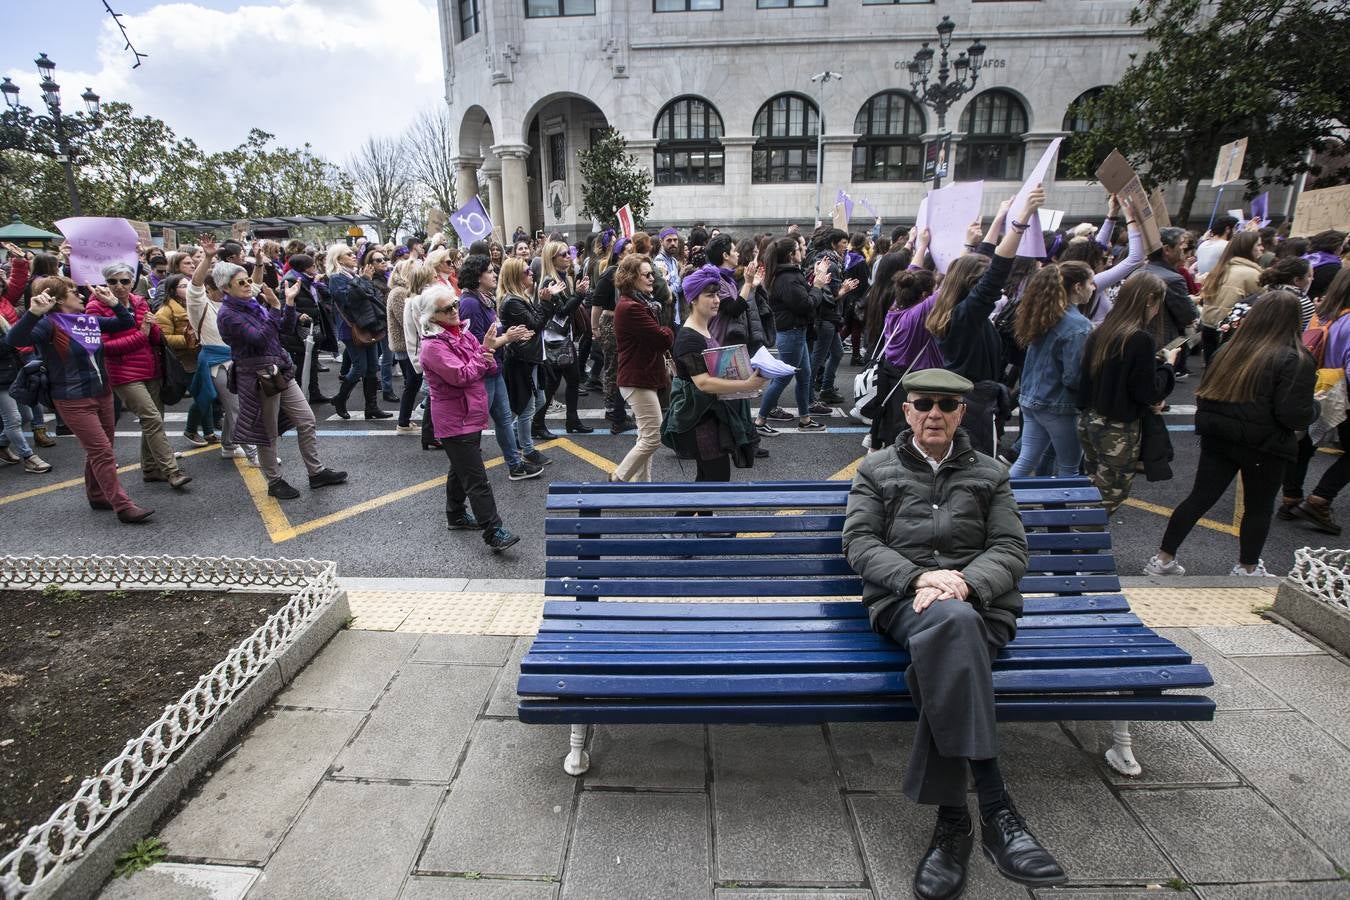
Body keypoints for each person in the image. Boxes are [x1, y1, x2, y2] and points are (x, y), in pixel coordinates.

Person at [842, 367, 1065, 900]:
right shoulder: (876, 470)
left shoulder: (990, 474)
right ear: (907, 410)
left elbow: (1012, 550)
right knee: (951, 629)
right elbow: (859, 543)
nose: (934, 414)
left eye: (946, 405)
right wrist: (918, 576)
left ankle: (953, 823)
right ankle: (996, 807)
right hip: (904, 602)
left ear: (963, 413)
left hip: (980, 605)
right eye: (924, 404)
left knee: (948, 643)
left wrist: (965, 584)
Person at [1146, 292, 1316, 576]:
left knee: (1200, 497)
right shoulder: (1294, 358)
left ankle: (1163, 558)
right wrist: (1316, 409)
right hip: (1265, 443)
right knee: (1258, 507)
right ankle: (1247, 567)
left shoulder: (1230, 349)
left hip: (1219, 435)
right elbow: (1292, 414)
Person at [6, 278, 152, 520]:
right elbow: (14, 340)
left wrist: (114, 302)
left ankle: (97, 495)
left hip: (103, 394)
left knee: (100, 450)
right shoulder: (47, 324)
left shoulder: (88, 321)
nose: (82, 296)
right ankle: (123, 506)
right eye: (74, 292)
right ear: (59, 299)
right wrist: (33, 313)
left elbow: (125, 322)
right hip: (72, 398)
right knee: (102, 452)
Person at [926, 188, 1047, 455]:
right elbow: (996, 272)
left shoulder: (954, 309)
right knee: (972, 471)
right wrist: (1019, 220)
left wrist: (999, 218)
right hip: (972, 410)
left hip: (972, 403)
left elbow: (976, 266)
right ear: (973, 285)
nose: (998, 291)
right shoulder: (964, 317)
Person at [214, 261, 347, 500]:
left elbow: (282, 330)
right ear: (226, 288)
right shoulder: (228, 314)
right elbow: (259, 338)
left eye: (248, 281)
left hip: (280, 370)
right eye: (241, 283)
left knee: (306, 420)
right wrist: (276, 306)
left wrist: (288, 303)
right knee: (267, 432)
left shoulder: (252, 304)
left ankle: (316, 472)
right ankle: (274, 481)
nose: (247, 285)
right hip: (258, 377)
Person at [417, 285, 520, 552]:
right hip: (455, 419)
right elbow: (461, 375)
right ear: (432, 316)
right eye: (447, 308)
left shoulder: (460, 332)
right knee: (476, 478)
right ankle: (493, 529)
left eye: (454, 304)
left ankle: (456, 514)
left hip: (468, 414)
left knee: (460, 467)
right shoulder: (432, 348)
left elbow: (488, 364)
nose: (454, 310)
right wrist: (484, 353)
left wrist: (485, 353)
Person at [1076, 271, 1180, 514]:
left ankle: (1079, 539)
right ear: (1149, 300)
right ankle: (1080, 541)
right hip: (1118, 428)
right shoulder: (1139, 339)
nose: (1158, 311)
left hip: (1089, 420)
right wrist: (1168, 367)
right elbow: (1146, 392)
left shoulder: (1101, 332)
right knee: (1111, 494)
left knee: (1093, 483)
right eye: (1158, 303)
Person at [85, 262, 192, 490]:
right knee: (152, 419)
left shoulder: (138, 301)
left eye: (124, 281)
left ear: (132, 281)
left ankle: (151, 468)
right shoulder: (95, 307)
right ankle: (172, 471)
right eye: (112, 281)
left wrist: (151, 328)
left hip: (150, 368)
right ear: (105, 282)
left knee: (153, 420)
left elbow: (154, 338)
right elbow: (104, 347)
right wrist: (141, 335)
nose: (119, 286)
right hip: (123, 372)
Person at [662, 265, 766, 482]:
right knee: (716, 482)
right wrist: (747, 385)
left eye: (717, 294)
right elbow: (704, 384)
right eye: (709, 295)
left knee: (706, 483)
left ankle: (681, 517)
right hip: (699, 419)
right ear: (693, 299)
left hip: (708, 415)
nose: (717, 300)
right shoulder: (689, 337)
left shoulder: (703, 328)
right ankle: (681, 516)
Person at [1008, 262, 1095, 477]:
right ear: (1077, 287)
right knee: (1069, 466)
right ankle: (1065, 509)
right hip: (1059, 405)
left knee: (1026, 459)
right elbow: (1074, 376)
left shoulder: (1043, 315)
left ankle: (1001, 503)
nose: (1093, 288)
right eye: (1090, 283)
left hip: (1031, 399)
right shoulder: (1078, 325)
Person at [457, 254, 540, 479]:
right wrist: (509, 338)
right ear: (477, 276)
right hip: (483, 375)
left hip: (495, 370)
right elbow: (478, 345)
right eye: (489, 271)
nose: (495, 275)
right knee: (473, 429)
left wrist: (513, 334)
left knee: (504, 420)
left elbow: (495, 332)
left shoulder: (483, 299)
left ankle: (515, 465)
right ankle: (465, 473)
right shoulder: (470, 303)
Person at [1281, 268, 1350, 535]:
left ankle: (1290, 499)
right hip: (1340, 392)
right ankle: (1320, 499)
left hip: (1314, 384)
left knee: (1305, 444)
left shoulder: (1322, 315)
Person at [187, 234, 255, 465]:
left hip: (238, 360)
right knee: (237, 407)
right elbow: (194, 287)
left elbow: (253, 287)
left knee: (232, 407)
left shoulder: (231, 302)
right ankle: (253, 452)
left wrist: (261, 263)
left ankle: (228, 445)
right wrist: (207, 258)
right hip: (217, 363)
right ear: (212, 285)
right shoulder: (199, 304)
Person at [755, 236, 828, 433]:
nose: (804, 250)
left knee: (804, 375)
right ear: (791, 255)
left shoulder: (788, 274)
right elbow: (805, 304)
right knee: (783, 377)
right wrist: (818, 286)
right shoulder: (787, 278)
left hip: (796, 332)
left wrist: (816, 280)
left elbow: (802, 298)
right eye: (800, 248)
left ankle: (805, 419)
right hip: (791, 334)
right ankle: (760, 421)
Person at [613, 254, 673, 482]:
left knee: (645, 435)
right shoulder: (631, 308)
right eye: (646, 274)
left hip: (641, 377)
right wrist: (668, 329)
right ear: (631, 277)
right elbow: (662, 338)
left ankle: (642, 484)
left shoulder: (641, 303)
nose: (652, 278)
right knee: (653, 437)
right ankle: (618, 478)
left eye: (652, 274)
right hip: (636, 379)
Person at [496, 258, 552, 470]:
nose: (531, 273)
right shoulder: (512, 302)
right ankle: (527, 450)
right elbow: (537, 323)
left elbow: (538, 321)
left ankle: (514, 434)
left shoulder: (522, 297)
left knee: (539, 401)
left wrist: (544, 304)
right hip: (521, 360)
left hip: (532, 358)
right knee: (527, 407)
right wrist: (545, 303)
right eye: (527, 271)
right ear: (515, 276)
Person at [535, 240, 593, 437]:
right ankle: (538, 424)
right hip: (554, 341)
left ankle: (571, 420)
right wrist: (578, 295)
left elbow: (567, 309)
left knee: (573, 380)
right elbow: (561, 311)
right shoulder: (550, 281)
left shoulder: (562, 278)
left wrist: (577, 294)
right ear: (553, 259)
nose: (569, 256)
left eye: (569, 253)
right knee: (552, 385)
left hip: (563, 339)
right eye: (564, 254)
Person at [326, 243, 390, 421]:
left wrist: (364, 280)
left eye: (353, 254)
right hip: (351, 329)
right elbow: (349, 300)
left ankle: (372, 407)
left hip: (368, 325)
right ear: (338, 259)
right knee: (360, 366)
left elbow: (368, 295)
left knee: (371, 367)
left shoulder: (355, 275)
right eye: (348, 254)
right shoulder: (336, 278)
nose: (353, 256)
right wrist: (363, 280)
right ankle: (340, 399)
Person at [155, 273, 216, 447]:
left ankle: (209, 431)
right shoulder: (165, 311)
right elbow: (164, 338)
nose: (187, 288)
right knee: (204, 395)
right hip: (184, 361)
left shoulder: (194, 304)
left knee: (207, 394)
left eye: (188, 285)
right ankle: (190, 429)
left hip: (200, 356)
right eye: (183, 286)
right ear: (172, 290)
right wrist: (190, 340)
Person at [1140, 228, 1200, 379]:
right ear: (1167, 249)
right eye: (1182, 244)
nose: (1185, 249)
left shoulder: (1139, 271)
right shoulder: (1173, 279)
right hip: (1162, 344)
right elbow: (1188, 315)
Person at [1198, 231, 1263, 366]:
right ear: (1248, 248)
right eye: (1258, 245)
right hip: (1230, 331)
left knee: (1210, 371)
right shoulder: (1252, 274)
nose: (1261, 248)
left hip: (1209, 325)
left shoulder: (1220, 268)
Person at [388, 261, 435, 434]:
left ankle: (406, 422)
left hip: (413, 350)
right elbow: (415, 328)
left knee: (414, 386)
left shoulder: (412, 297)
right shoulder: (408, 297)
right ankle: (406, 423)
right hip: (411, 350)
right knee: (415, 386)